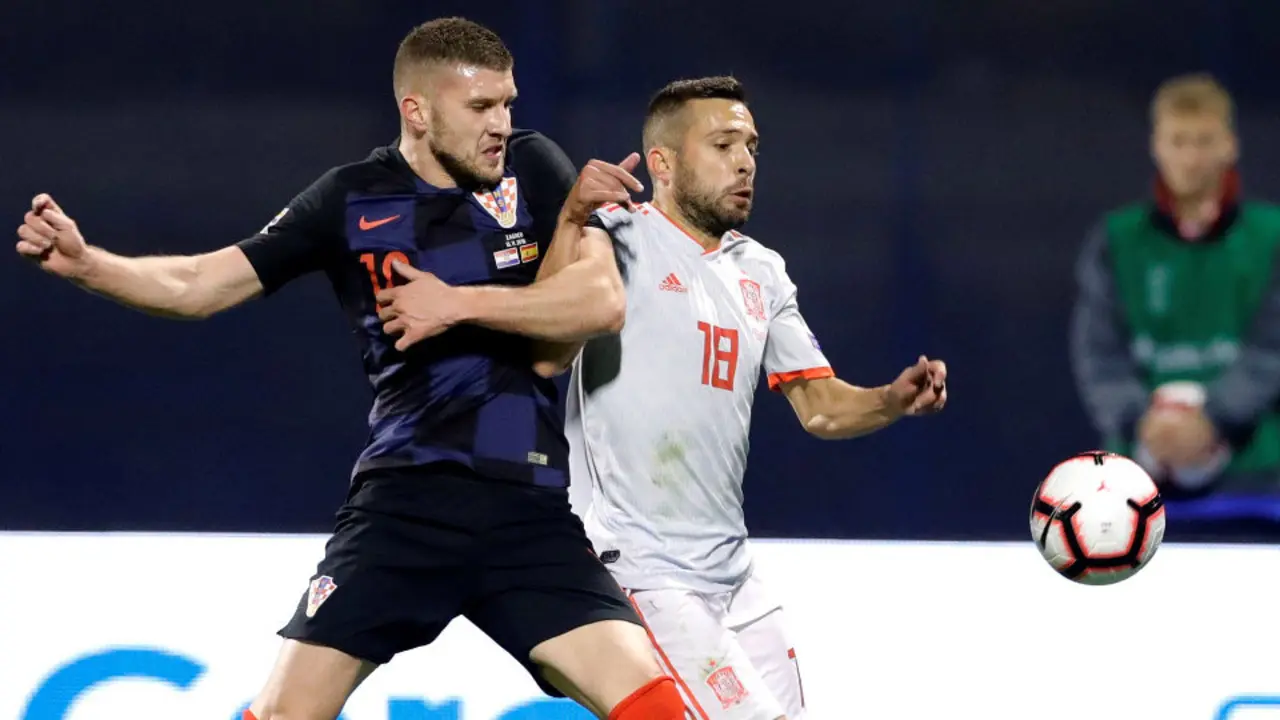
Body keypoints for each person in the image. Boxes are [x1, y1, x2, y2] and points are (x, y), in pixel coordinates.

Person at [14, 17, 686, 720]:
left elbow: (600, 305)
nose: (502, 123)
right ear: (417, 111)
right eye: (481, 107)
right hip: (407, 501)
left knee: (658, 708)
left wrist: (456, 304)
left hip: (530, 507)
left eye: (508, 103)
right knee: (283, 714)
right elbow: (200, 284)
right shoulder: (349, 198)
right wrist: (88, 265)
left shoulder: (539, 167)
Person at [538, 76, 947, 719]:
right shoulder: (615, 236)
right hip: (644, 566)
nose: (746, 161)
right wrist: (570, 218)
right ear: (664, 164)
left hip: (734, 573)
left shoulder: (761, 269)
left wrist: (891, 400)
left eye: (752, 145)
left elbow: (819, 406)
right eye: (724, 144)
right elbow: (547, 345)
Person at [1071, 72, 1280, 504]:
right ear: (1156, 145)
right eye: (1178, 141)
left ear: (1229, 145)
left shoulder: (1271, 237)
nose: (1191, 157)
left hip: (1259, 477)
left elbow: (1272, 349)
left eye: (1204, 141)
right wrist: (1142, 422)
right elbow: (1099, 355)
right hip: (1136, 479)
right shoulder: (1117, 241)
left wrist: (1213, 421)